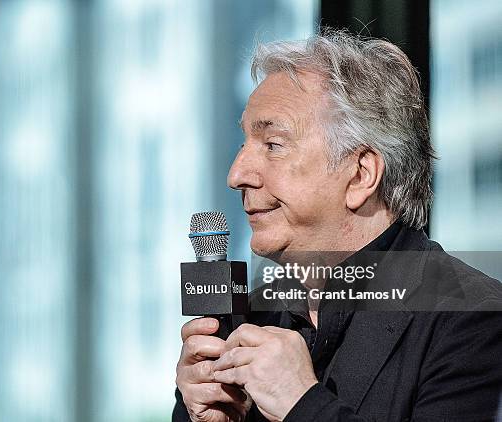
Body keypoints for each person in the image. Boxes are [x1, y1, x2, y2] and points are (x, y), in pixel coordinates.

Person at [173, 29, 502, 422]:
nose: (237, 174)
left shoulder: (475, 320)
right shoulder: (250, 316)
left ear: (361, 175)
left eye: (273, 145)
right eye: (243, 144)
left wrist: (302, 403)